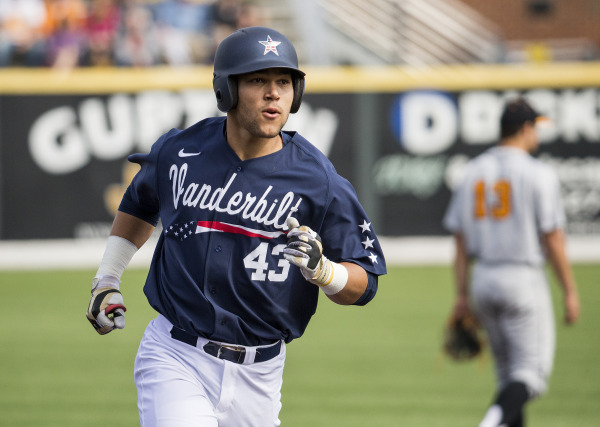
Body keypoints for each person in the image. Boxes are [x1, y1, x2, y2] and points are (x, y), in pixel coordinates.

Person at [85, 26, 386, 426]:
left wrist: (324, 271)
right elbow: (140, 204)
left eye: (284, 81)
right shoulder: (180, 152)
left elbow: (366, 282)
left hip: (262, 376)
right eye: (258, 80)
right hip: (177, 356)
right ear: (226, 89)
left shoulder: (319, 180)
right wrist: (107, 278)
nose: (273, 93)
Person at [443, 97, 580, 427]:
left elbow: (460, 242)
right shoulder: (537, 173)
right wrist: (571, 291)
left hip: (484, 280)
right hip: (523, 279)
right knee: (531, 377)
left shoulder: (473, 170)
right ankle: (490, 423)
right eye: (535, 128)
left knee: (509, 381)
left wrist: (462, 296)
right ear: (524, 128)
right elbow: (553, 238)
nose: (537, 136)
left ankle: (497, 418)